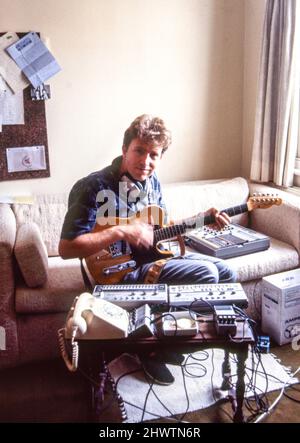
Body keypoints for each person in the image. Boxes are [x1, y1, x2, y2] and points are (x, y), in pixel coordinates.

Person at [59, 114, 236, 385]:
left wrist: (203, 219)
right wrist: (120, 231)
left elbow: (162, 230)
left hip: (147, 262)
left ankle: (172, 340)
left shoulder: (152, 183)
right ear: (124, 150)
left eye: (154, 154)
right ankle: (151, 349)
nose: (146, 161)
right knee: (206, 274)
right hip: (117, 273)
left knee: (226, 272)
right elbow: (67, 248)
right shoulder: (92, 187)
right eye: (139, 151)